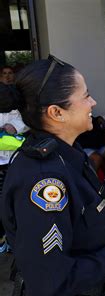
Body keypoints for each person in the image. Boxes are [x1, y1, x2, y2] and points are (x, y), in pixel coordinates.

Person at [0, 55, 105, 296]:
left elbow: (81, 211)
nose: (93, 102)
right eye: (86, 96)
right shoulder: (43, 180)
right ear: (56, 112)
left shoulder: (67, 153)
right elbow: (49, 280)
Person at [0, 68, 27, 253]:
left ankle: (17, 236)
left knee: (16, 198)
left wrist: (14, 127)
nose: (9, 76)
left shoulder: (19, 99)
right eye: (4, 73)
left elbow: (26, 121)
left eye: (11, 73)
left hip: (14, 159)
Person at [77, 115, 105, 184]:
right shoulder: (79, 120)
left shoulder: (93, 118)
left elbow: (102, 132)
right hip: (84, 147)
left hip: (97, 146)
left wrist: (101, 122)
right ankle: (91, 181)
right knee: (97, 158)